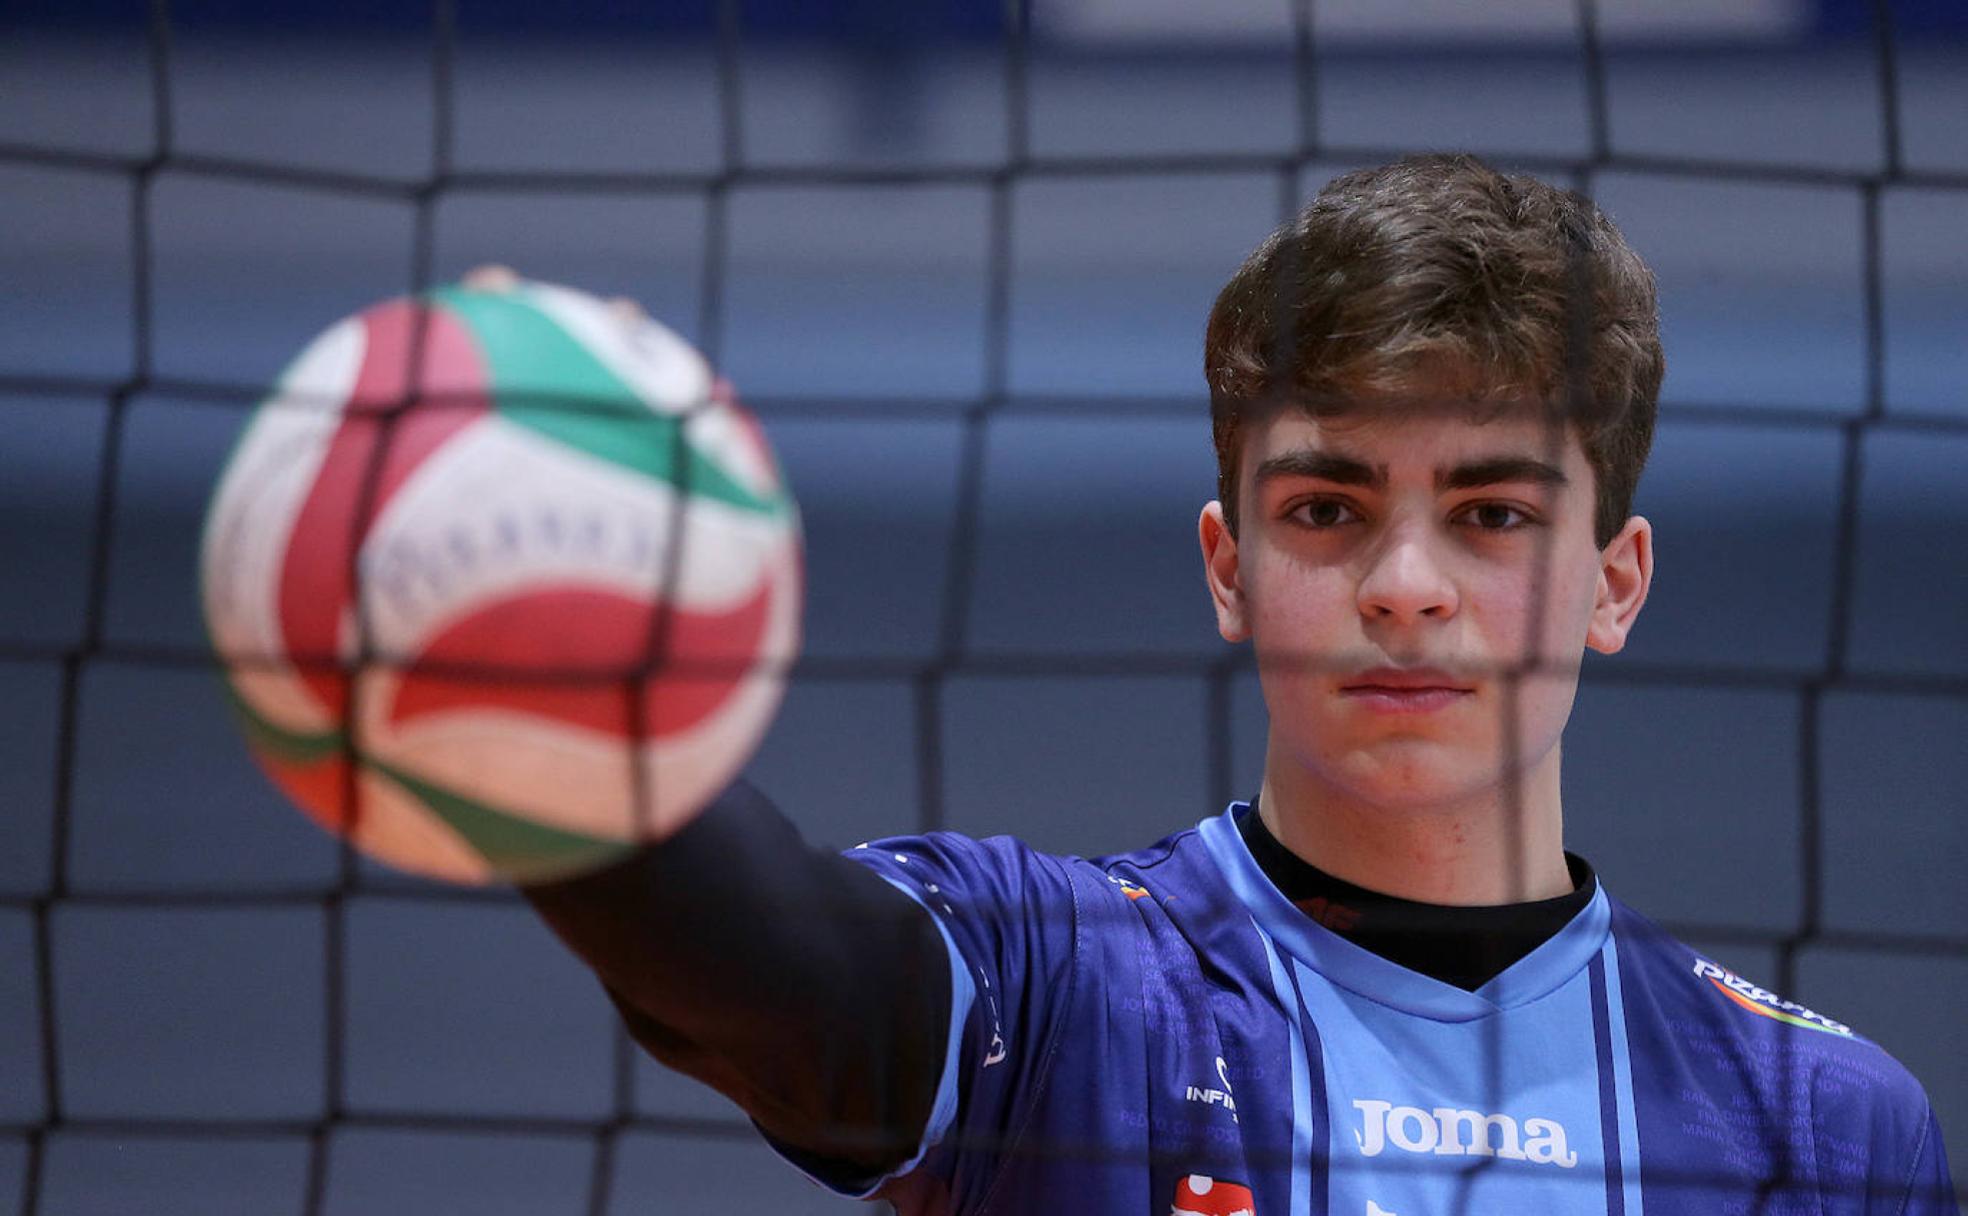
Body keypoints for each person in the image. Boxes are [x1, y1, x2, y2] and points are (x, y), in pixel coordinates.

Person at [521, 154, 1957, 1215]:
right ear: (1229, 569)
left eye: (1493, 513)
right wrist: (527, 694)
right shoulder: (1069, 983)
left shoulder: (1818, 1131)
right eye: (1328, 509)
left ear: (1614, 583)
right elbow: (765, 978)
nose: (1406, 584)